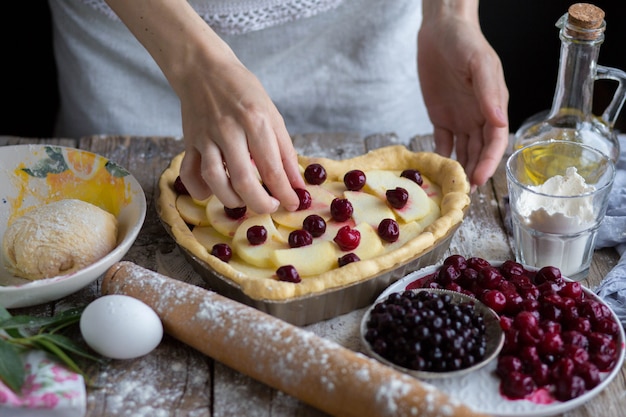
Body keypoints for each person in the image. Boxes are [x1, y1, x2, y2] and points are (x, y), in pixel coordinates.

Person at [47, 0, 509, 214]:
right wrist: (193, 62)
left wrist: (451, 13)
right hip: (141, 49)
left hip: (367, 51)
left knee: (386, 207)